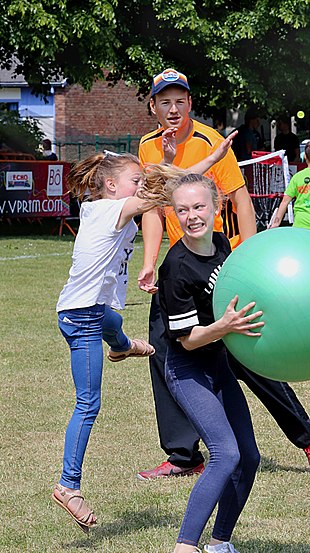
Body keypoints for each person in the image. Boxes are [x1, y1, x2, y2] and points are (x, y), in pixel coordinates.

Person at [137, 68, 310, 481]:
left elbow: (242, 203)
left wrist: (248, 260)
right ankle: (183, 456)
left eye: (180, 101)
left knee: (248, 360)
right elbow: (154, 210)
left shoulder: (212, 142)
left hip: (217, 265)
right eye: (164, 102)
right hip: (176, 269)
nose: (173, 109)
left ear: (190, 103)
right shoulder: (148, 147)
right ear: (153, 106)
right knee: (165, 354)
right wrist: (149, 262)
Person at [146, 168, 262, 553]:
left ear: (217, 207)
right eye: (182, 210)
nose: (192, 216)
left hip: (218, 366)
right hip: (187, 368)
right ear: (173, 215)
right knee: (225, 453)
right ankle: (185, 547)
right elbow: (189, 340)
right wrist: (227, 326)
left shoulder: (223, 246)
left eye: (199, 206)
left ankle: (219, 544)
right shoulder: (176, 268)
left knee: (248, 457)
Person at [51, 152, 157, 532]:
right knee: (88, 404)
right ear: (112, 186)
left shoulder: (101, 207)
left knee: (113, 322)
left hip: (92, 311)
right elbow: (157, 196)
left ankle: (122, 344)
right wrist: (207, 159)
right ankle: (68, 486)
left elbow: (148, 202)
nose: (139, 187)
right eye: (135, 180)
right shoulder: (109, 210)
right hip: (81, 318)